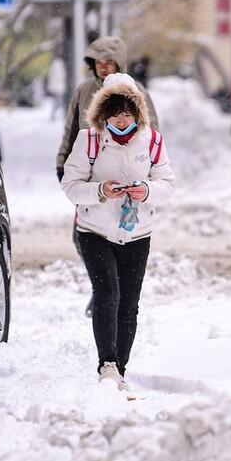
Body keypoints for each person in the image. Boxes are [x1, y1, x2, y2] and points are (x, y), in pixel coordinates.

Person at [60, 73, 175, 390]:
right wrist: (100, 191)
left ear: (137, 112)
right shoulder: (90, 140)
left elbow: (168, 184)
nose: (121, 119)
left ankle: (120, 368)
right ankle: (107, 364)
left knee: (129, 303)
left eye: (127, 112)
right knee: (107, 294)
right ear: (103, 112)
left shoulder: (152, 141)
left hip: (138, 233)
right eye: (115, 111)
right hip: (95, 230)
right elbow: (70, 186)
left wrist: (147, 191)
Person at [56, 36, 159, 317]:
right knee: (85, 236)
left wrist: (148, 180)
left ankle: (113, 293)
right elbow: (71, 130)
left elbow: (152, 134)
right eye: (98, 63)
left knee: (125, 238)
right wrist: (62, 165)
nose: (103, 68)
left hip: (130, 183)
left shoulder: (137, 93)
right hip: (90, 179)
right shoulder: (83, 91)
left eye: (109, 62)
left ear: (119, 63)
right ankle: (103, 290)